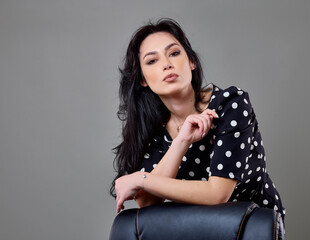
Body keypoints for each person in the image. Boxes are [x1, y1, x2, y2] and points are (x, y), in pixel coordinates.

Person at [110, 18, 285, 220]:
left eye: (174, 53)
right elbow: (148, 201)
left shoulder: (230, 104)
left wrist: (140, 178)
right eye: (152, 61)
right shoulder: (154, 128)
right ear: (143, 79)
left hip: (250, 226)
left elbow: (218, 194)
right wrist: (181, 142)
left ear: (191, 62)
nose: (166, 64)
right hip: (198, 227)